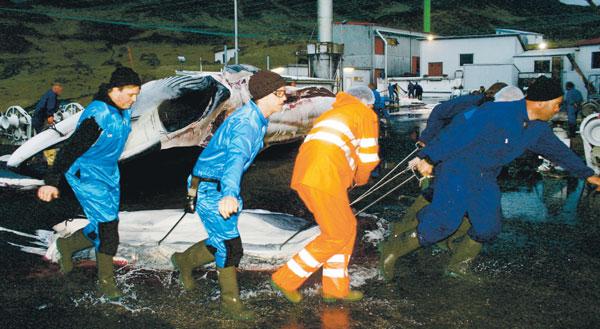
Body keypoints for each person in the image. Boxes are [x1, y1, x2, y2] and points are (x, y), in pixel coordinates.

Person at [379, 76, 600, 282]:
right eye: (557, 104)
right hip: (457, 169)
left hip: (485, 177)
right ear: (542, 102)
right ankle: (392, 252)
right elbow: (456, 134)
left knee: (487, 226)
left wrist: (588, 174)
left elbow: (559, 152)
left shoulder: (538, 129)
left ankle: (458, 266)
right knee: (444, 223)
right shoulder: (494, 113)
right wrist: (429, 157)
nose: (558, 109)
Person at [170, 70, 286, 320]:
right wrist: (230, 194)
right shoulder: (247, 124)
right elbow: (235, 159)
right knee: (230, 246)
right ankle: (230, 303)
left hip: (219, 185)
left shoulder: (257, 118)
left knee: (223, 240)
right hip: (211, 187)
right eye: (280, 93)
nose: (284, 98)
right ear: (265, 95)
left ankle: (183, 261)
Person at [37, 67, 141, 300]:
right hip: (87, 174)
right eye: (130, 94)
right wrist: (51, 181)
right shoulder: (97, 118)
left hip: (109, 173)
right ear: (115, 90)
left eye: (137, 95)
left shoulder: (122, 108)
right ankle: (106, 285)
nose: (134, 100)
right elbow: (69, 150)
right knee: (108, 229)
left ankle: (68, 246)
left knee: (104, 222)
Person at [270, 85, 380, 304]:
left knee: (345, 228)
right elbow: (368, 159)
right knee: (338, 234)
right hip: (325, 178)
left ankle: (335, 288)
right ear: (367, 103)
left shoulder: (333, 113)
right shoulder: (365, 113)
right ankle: (286, 279)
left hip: (307, 176)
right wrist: (360, 180)